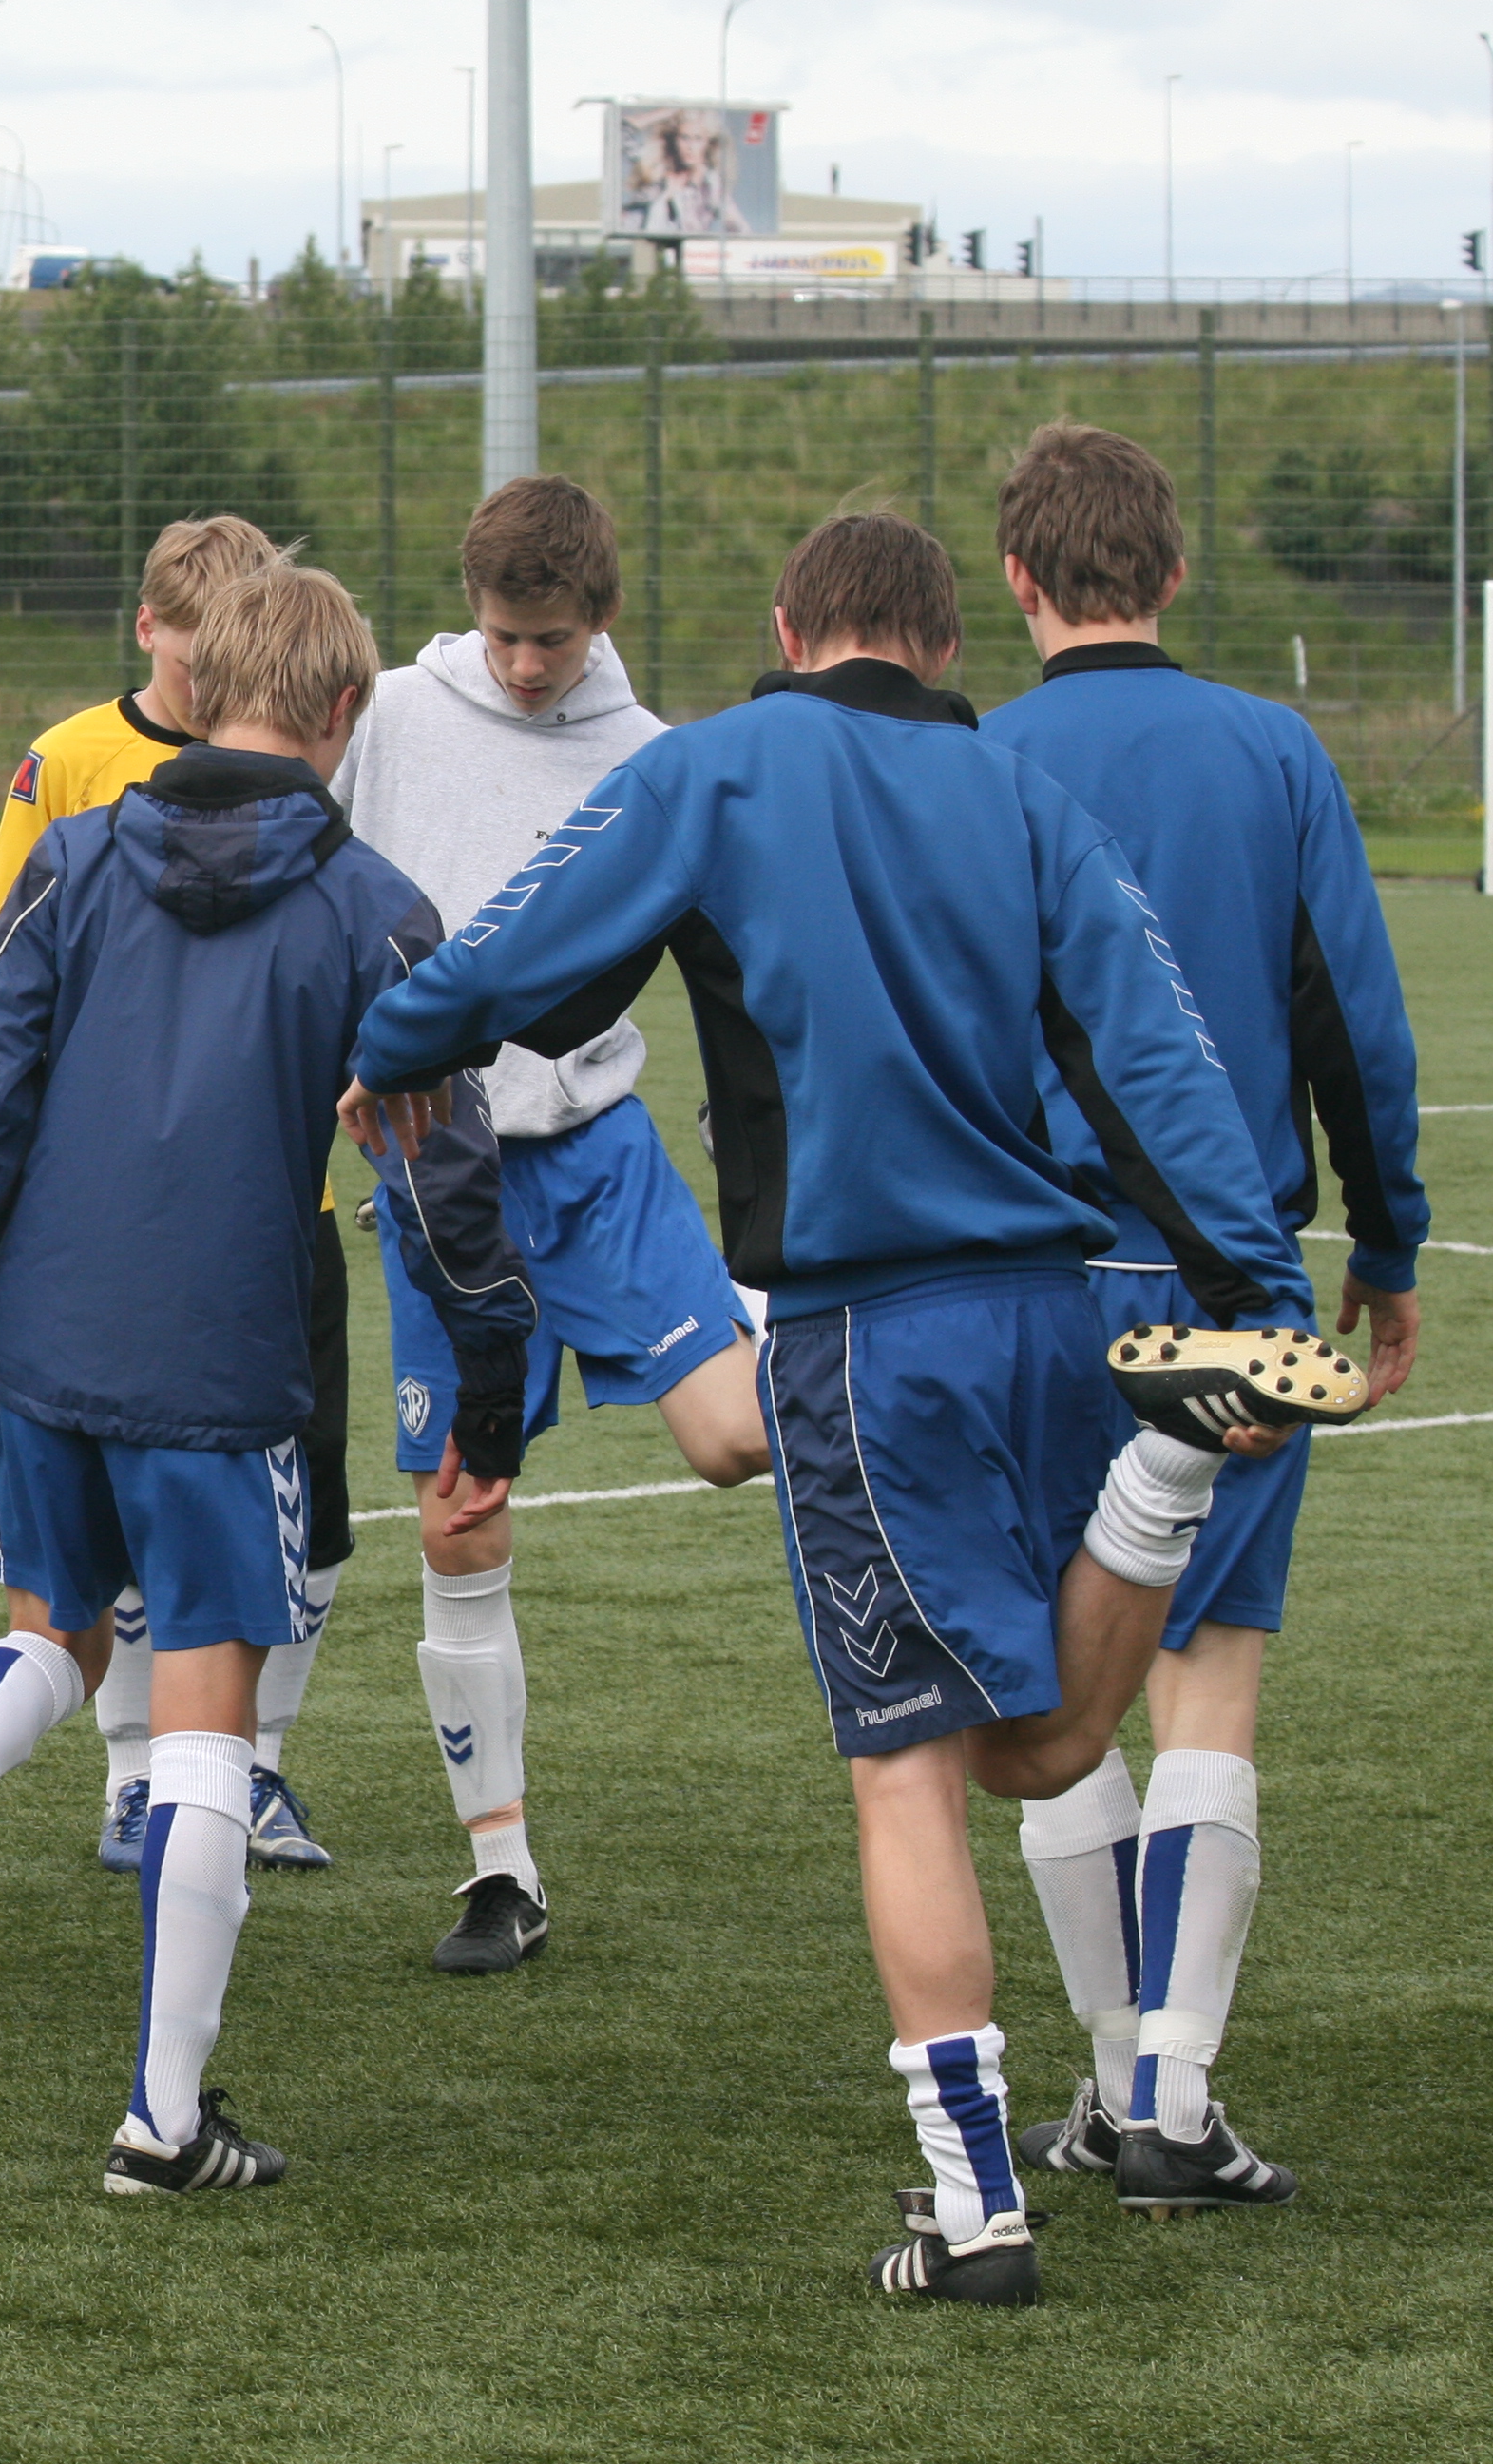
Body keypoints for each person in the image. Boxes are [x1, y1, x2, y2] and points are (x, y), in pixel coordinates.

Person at [348, 510, 1352, 2304]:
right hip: (1047, 1314)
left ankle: (973, 2215)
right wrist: (1260, 1294)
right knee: (1038, 1749)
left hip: (862, 1332)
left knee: (904, 1770)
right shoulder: (1024, 797)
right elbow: (1156, 1058)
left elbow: (516, 948)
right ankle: (1165, 1460)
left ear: (787, 624)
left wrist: (396, 1043)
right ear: (949, 644)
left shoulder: (720, 766)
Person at [0, 559, 536, 2188]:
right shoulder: (375, 910)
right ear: (345, 711)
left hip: (43, 1337)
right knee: (207, 1725)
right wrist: (489, 1376)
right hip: (221, 1357)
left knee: (56, 1630)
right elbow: (444, 1176)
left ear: (198, 687)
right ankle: (163, 2119)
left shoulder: (79, 855)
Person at [977, 421, 1426, 2215]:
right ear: (1170, 572)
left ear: (1016, 579)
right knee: (1206, 1670)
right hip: (1222, 1281)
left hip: (1024, 1283)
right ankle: (1169, 2095)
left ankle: (1111, 2087)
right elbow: (1354, 1023)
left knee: (1053, 1675)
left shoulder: (975, 760)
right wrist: (1388, 1241)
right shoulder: (1272, 748)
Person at [334, 475, 769, 1975]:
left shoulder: (652, 758)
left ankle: (773, 1316)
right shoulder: (392, 715)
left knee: (735, 1440)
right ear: (473, 611)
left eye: (556, 641)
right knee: (460, 1516)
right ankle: (500, 1872)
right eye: (506, 637)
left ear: (604, 618)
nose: (526, 666)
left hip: (594, 1158)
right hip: (433, 1170)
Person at [0, 514, 359, 1877]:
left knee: (303, 1513)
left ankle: (250, 1765)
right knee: (143, 1544)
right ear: (153, 632)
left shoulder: (315, 790)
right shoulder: (73, 765)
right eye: (195, 648)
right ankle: (150, 1777)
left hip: (271, 1214)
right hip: (129, 1216)